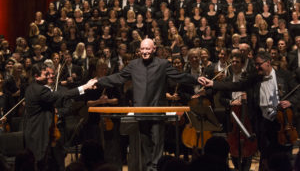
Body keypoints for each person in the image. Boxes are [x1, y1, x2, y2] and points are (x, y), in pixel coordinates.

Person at [97, 39, 201, 171]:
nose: (145, 52)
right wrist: (98, 82)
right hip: (141, 113)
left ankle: (155, 169)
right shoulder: (134, 65)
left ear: (154, 49)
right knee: (145, 146)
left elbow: (179, 76)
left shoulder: (163, 64)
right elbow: (118, 77)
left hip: (157, 113)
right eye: (143, 49)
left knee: (157, 144)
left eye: (147, 49)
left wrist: (197, 79)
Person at [199, 51, 299, 170]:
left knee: (284, 158)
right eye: (255, 65)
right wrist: (213, 83)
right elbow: (236, 86)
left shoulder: (285, 75)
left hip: (283, 122)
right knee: (265, 157)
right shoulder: (255, 78)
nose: (256, 67)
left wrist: (290, 101)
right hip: (263, 123)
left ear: (268, 63)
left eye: (258, 64)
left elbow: (298, 92)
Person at [23, 63, 97, 170]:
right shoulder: (40, 90)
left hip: (38, 132)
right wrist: (85, 87)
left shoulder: (31, 88)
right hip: (39, 133)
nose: (49, 76)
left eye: (49, 74)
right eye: (45, 74)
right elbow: (62, 95)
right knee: (40, 164)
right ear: (36, 76)